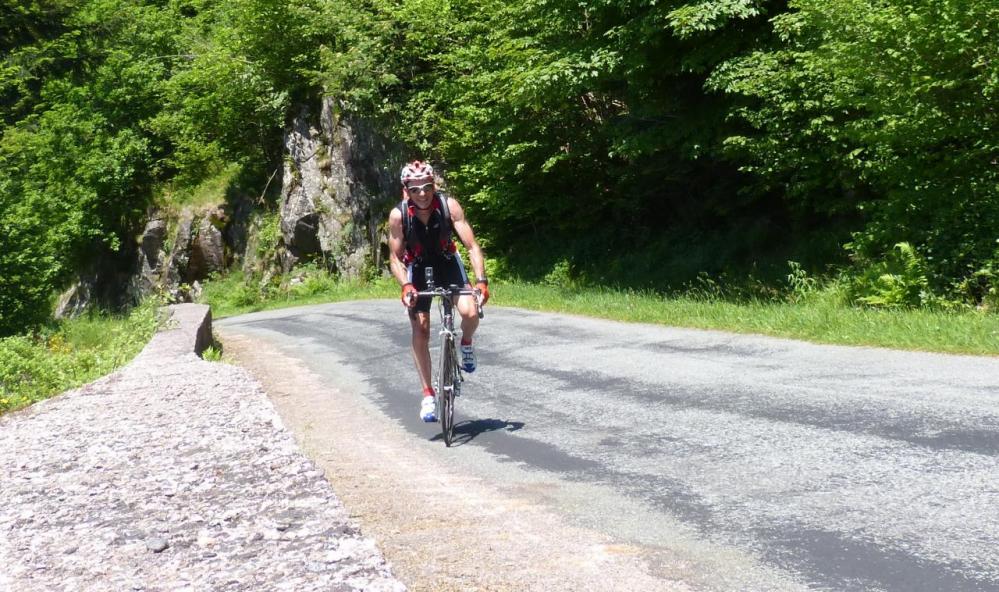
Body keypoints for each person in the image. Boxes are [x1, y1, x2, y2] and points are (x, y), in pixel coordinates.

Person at [387, 160, 490, 422]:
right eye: (415, 189)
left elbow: (472, 246)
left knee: (469, 311)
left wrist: (481, 281)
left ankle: (465, 342)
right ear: (405, 190)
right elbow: (395, 257)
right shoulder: (399, 216)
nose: (422, 193)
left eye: (427, 187)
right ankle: (428, 394)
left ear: (434, 185)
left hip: (447, 261)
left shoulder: (449, 206)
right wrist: (406, 285)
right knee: (420, 328)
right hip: (418, 268)